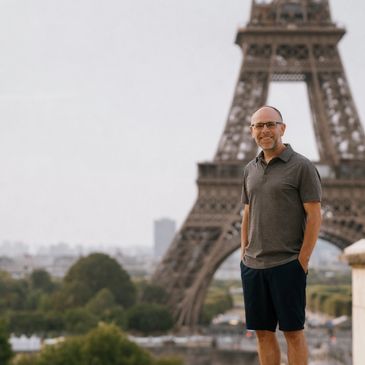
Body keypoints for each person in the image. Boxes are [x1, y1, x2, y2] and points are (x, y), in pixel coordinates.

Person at [240, 106, 322, 365]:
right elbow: (247, 212)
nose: (264, 130)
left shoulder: (302, 167)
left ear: (282, 128)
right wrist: (244, 251)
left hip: (287, 264)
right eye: (259, 126)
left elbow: (314, 215)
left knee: (293, 333)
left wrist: (303, 259)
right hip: (254, 265)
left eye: (270, 124)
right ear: (252, 131)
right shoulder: (249, 170)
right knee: (263, 334)